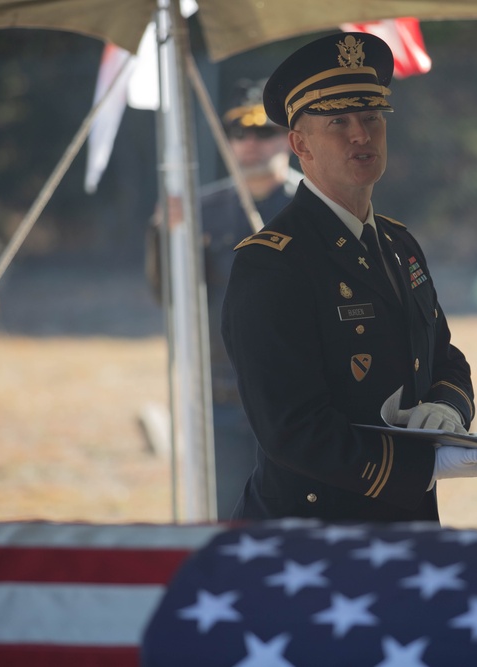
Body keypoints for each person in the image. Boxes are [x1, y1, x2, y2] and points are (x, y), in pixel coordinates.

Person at [221, 32, 477, 523]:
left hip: (402, 522)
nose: (361, 134)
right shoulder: (273, 262)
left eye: (372, 118)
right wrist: (422, 464)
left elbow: (444, 357)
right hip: (311, 534)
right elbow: (292, 429)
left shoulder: (398, 245)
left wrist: (449, 412)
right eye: (337, 121)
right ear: (299, 144)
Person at [146, 78, 299, 518]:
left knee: (297, 520)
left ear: (289, 140)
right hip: (222, 399)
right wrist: (164, 236)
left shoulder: (315, 206)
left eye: (264, 132)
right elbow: (168, 295)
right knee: (228, 517)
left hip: (299, 399)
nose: (251, 145)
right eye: (239, 134)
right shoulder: (197, 210)